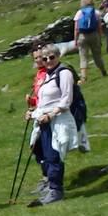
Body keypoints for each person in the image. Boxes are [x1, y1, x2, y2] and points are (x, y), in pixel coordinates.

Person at [30, 45, 80, 205]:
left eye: (52, 57)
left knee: (54, 154)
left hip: (58, 120)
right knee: (46, 154)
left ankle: (56, 190)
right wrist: (33, 112)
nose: (48, 61)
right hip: (44, 120)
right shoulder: (46, 75)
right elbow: (44, 101)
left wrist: (51, 115)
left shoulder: (64, 73)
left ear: (58, 56)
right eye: (45, 58)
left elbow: (66, 99)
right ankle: (52, 187)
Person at [73, 0, 107, 83]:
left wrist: (75, 40)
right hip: (94, 35)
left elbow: (76, 29)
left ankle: (84, 78)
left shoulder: (79, 13)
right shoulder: (96, 12)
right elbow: (99, 27)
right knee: (97, 56)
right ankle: (103, 71)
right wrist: (100, 37)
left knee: (83, 57)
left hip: (82, 36)